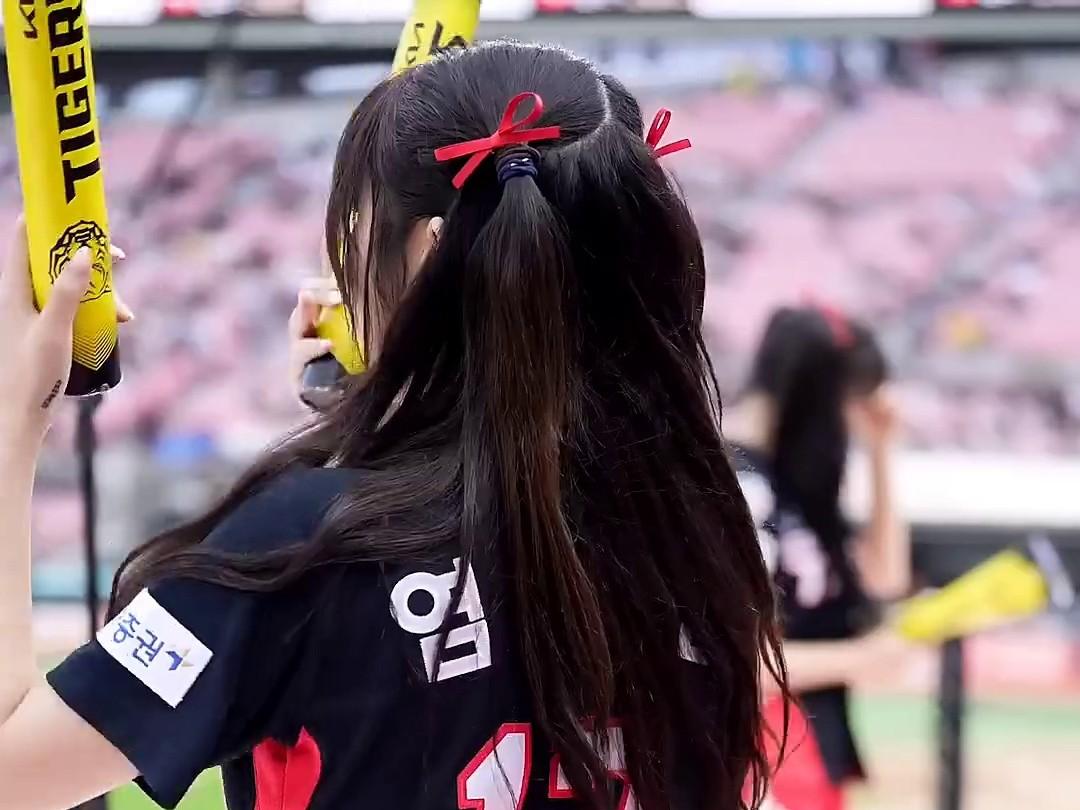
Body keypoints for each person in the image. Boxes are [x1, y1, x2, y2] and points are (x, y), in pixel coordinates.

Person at [0, 42, 786, 810]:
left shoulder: (298, 550)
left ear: (430, 255)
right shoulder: (696, 537)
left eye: (357, 235)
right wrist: (372, 423)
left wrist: (14, 416)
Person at [724, 306, 911, 810]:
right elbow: (732, 659)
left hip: (811, 744)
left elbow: (885, 578)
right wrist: (864, 657)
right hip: (758, 750)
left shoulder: (795, 481)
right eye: (851, 406)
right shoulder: (735, 480)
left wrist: (882, 452)